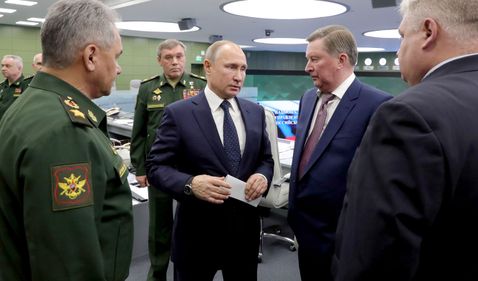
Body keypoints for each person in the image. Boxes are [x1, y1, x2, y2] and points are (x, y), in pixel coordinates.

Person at [333, 0, 478, 280]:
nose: (399, 52)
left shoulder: (408, 115)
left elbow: (374, 261)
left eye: (401, 37)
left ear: (427, 31)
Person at [0, 0, 133, 280]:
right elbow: (69, 265)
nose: (118, 68)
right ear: (91, 56)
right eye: (117, 56)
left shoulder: (34, 105)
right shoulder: (64, 131)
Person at [146, 40, 274, 281]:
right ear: (208, 66)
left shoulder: (255, 113)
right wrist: (190, 184)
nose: (239, 76)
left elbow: (266, 159)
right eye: (231, 67)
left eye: (243, 69)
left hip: (243, 236)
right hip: (197, 236)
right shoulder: (179, 113)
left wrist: (262, 175)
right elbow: (156, 167)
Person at [286, 25, 391, 281]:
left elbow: (377, 181)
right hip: (304, 228)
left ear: (341, 60)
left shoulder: (378, 105)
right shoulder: (308, 98)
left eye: (314, 59)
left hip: (342, 236)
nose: (307, 67)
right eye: (307, 59)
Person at [130, 39, 206, 281]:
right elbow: (139, 132)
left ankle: (189, 272)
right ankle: (158, 274)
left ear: (185, 58)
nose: (174, 61)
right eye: (168, 57)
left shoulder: (201, 85)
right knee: (159, 228)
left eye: (179, 56)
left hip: (191, 168)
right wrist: (140, 168)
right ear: (159, 60)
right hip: (159, 169)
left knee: (192, 223)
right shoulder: (147, 88)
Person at [0, 54, 26, 120]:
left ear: (19, 68)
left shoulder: (27, 86)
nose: (3, 69)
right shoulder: (1, 86)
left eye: (8, 66)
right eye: (2, 66)